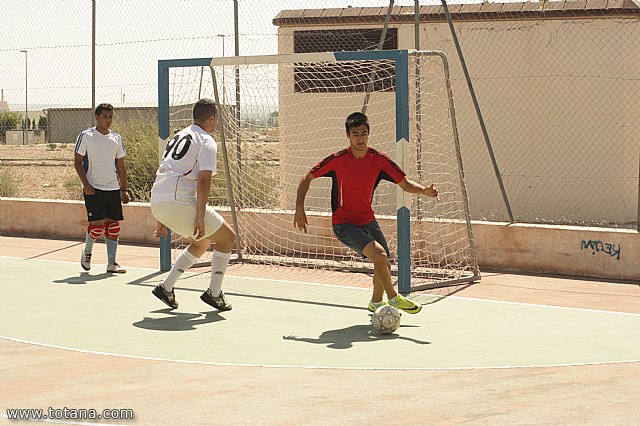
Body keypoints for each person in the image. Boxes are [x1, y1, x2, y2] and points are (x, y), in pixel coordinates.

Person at [293, 112, 439, 314]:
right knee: (379, 255)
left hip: (368, 220)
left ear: (368, 134)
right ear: (348, 136)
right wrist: (299, 208)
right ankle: (394, 298)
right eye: (355, 134)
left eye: (363, 133)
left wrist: (423, 190)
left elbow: (404, 184)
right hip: (344, 224)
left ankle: (376, 303)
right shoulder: (337, 160)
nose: (360, 138)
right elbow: (305, 179)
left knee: (383, 264)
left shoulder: (378, 160)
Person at [150, 98, 236, 311]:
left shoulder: (179, 135)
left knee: (201, 242)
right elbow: (204, 179)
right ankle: (214, 294)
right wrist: (199, 215)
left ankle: (166, 287)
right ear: (212, 118)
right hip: (178, 199)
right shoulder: (206, 140)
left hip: (158, 199)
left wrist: (160, 217)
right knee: (228, 238)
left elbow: (165, 171)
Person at [74, 103, 129, 274]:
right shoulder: (86, 136)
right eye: (104, 116)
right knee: (96, 227)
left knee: (113, 227)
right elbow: (77, 162)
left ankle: (112, 263)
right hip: (94, 188)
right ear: (97, 117)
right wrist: (86, 184)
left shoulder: (116, 139)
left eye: (110, 117)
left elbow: (121, 165)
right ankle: (87, 253)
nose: (108, 120)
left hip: (112, 188)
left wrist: (124, 189)